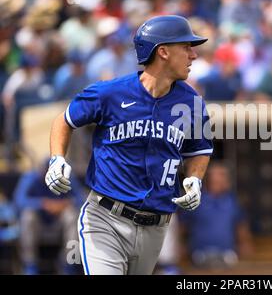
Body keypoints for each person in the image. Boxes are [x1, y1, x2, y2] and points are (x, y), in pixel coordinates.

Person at [44, 15, 213, 275]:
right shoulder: (110, 93)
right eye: (186, 47)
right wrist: (57, 158)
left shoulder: (192, 102)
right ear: (163, 52)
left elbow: (199, 151)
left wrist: (195, 179)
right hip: (105, 219)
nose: (193, 55)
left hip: (156, 226)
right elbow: (64, 120)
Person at [14, 158, 85, 275]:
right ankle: (30, 265)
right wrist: (43, 204)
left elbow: (82, 200)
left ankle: (69, 264)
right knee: (28, 216)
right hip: (39, 223)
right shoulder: (31, 177)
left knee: (72, 215)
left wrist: (64, 204)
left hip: (59, 224)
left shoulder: (68, 177)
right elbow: (18, 201)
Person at [179, 162, 253, 269]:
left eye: (223, 176)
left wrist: (245, 243)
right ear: (208, 179)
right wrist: (180, 245)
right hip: (199, 254)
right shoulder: (195, 199)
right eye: (217, 176)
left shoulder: (232, 201)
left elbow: (241, 224)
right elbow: (182, 225)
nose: (220, 180)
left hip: (227, 254)